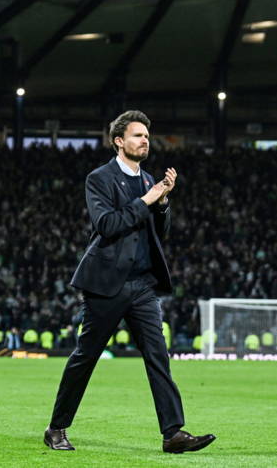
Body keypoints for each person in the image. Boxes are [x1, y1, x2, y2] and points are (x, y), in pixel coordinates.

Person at [44, 110, 215, 454]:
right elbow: (107, 225)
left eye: (147, 136)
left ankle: (173, 434)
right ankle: (56, 428)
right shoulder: (99, 178)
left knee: (158, 356)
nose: (145, 141)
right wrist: (148, 199)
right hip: (106, 284)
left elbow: (158, 233)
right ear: (119, 141)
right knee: (86, 357)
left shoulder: (149, 180)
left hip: (143, 286)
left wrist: (163, 203)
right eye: (138, 135)